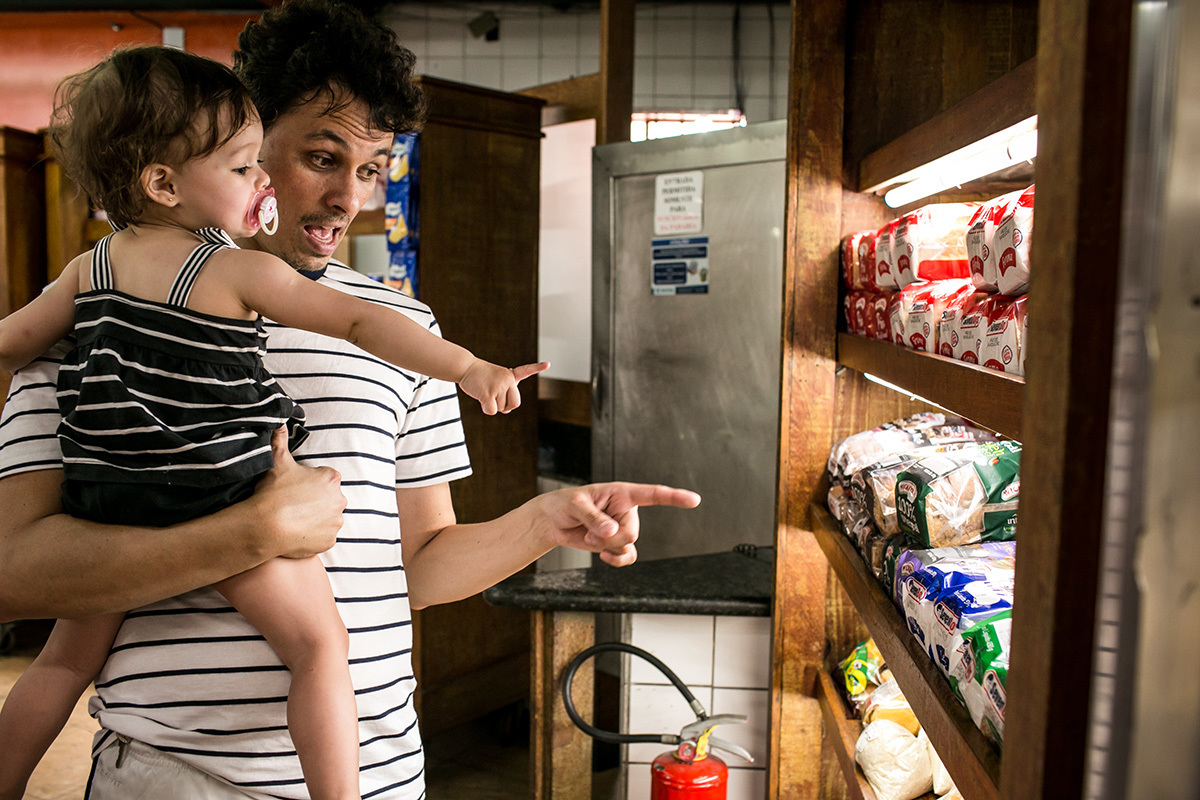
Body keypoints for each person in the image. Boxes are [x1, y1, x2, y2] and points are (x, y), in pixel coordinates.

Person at [0, 1, 701, 798]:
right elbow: (11, 575)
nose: (349, 200)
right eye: (323, 158)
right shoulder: (101, 317)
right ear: (246, 139)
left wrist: (547, 521)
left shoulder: (404, 327)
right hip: (172, 777)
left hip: (379, 773)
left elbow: (419, 563)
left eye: (371, 170)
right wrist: (250, 531)